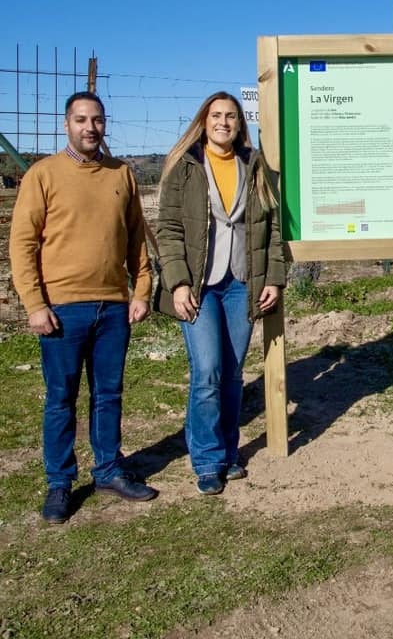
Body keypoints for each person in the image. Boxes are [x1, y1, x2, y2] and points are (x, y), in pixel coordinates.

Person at [10, 92, 158, 524]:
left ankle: (109, 469)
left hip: (113, 308)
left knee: (109, 396)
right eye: (81, 119)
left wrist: (142, 290)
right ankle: (59, 483)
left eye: (96, 120)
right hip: (61, 310)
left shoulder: (122, 174)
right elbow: (22, 245)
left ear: (104, 124)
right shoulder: (43, 175)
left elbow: (136, 241)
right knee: (61, 400)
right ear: (66, 124)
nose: (89, 127)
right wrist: (35, 304)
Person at [156, 92, 285, 496]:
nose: (223, 122)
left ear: (239, 123)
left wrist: (274, 278)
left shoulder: (256, 165)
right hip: (198, 285)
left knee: (231, 373)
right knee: (208, 371)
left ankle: (229, 452)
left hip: (242, 284)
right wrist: (177, 282)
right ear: (204, 120)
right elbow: (169, 231)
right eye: (216, 115)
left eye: (230, 116)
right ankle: (208, 459)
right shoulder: (186, 168)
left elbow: (275, 228)